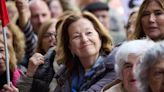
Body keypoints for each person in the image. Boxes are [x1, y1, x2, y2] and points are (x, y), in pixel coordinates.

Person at [54, 11, 116, 92]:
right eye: (76, 36)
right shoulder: (64, 75)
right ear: (69, 46)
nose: (84, 39)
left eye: (89, 33)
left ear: (100, 36)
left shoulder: (114, 67)